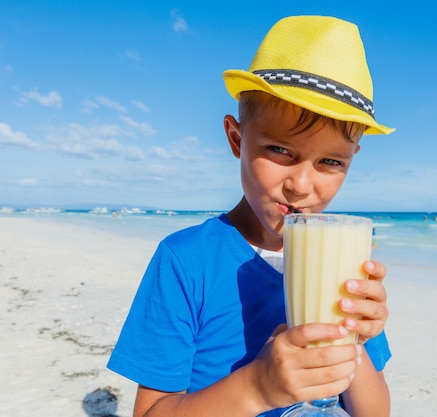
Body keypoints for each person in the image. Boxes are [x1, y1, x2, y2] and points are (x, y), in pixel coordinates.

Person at [107, 15, 395, 417]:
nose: (300, 184)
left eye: (330, 161)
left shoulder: (342, 263)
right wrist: (258, 386)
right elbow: (151, 411)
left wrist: (356, 344)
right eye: (280, 150)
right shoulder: (186, 260)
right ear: (236, 138)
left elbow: (374, 411)